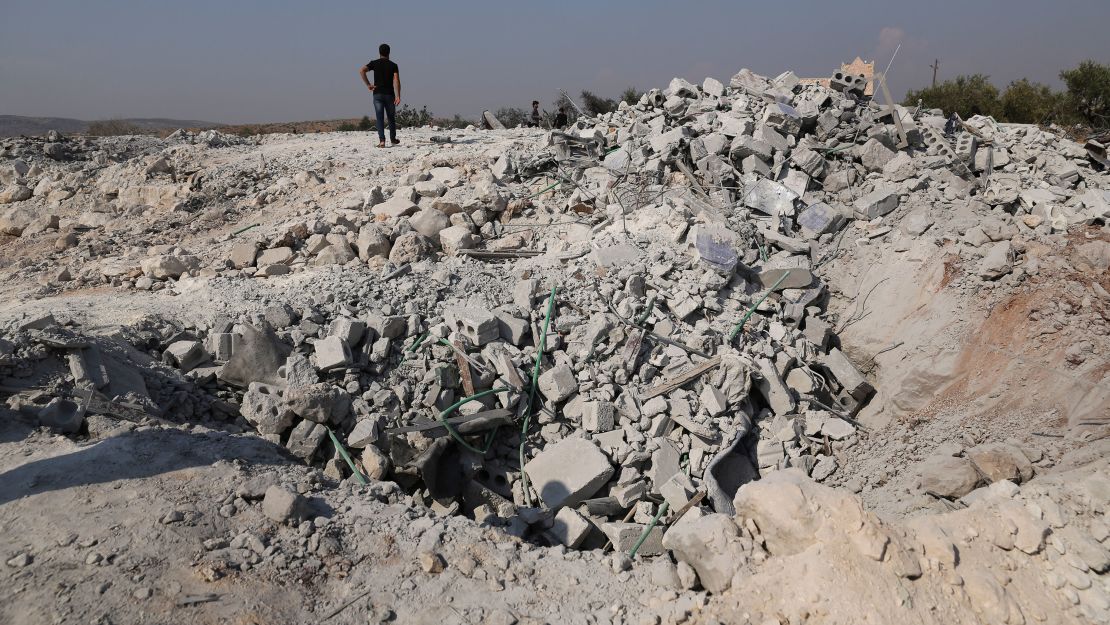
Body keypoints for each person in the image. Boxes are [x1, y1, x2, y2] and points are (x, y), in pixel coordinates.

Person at [360, 44, 401, 147]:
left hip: (377, 94)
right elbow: (396, 80)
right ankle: (393, 139)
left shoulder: (374, 63)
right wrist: (398, 96)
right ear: (389, 53)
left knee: (379, 117)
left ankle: (382, 141)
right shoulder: (393, 65)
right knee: (391, 117)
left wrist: (368, 85)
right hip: (389, 95)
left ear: (379, 52)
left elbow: (362, 71)